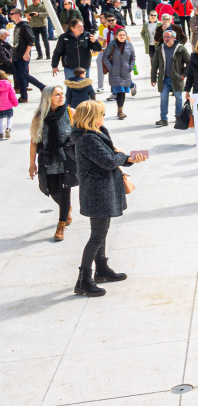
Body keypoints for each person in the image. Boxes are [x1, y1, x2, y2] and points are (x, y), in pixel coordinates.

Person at [70, 100, 147, 297]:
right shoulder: (87, 138)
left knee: (101, 233)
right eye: (101, 114)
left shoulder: (97, 133)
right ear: (91, 117)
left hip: (103, 189)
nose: (104, 117)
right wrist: (123, 156)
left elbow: (110, 157)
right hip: (97, 192)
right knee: (97, 235)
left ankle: (102, 269)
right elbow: (109, 161)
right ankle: (83, 280)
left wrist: (127, 158)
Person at [29, 85, 76, 240]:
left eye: (62, 93)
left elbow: (83, 132)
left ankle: (61, 225)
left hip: (66, 158)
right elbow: (34, 141)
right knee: (53, 191)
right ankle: (66, 208)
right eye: (57, 94)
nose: (61, 97)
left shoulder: (70, 113)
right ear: (48, 98)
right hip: (48, 159)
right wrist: (32, 163)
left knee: (65, 190)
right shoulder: (39, 117)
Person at [151, 29, 189, 126]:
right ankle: (164, 119)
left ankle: (178, 117)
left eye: (168, 37)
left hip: (177, 79)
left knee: (178, 98)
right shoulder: (160, 49)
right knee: (163, 98)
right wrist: (153, 78)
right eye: (164, 37)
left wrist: (183, 75)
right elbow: (154, 64)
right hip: (164, 79)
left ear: (173, 38)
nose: (166, 39)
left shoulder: (181, 49)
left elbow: (189, 63)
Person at [10, 9, 44, 102]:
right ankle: (23, 96)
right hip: (16, 54)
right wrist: (12, 55)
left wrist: (27, 53)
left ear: (18, 15)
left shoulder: (25, 26)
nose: (10, 15)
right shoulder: (17, 26)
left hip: (22, 55)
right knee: (19, 77)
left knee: (24, 75)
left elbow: (31, 39)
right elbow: (16, 42)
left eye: (12, 14)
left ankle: (42, 86)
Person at [101, 28, 136, 120]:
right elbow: (105, 57)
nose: (122, 36)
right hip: (114, 72)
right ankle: (120, 112)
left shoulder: (129, 45)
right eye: (120, 35)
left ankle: (120, 110)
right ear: (116, 36)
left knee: (123, 92)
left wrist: (130, 67)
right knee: (119, 91)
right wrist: (111, 68)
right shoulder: (111, 45)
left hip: (125, 72)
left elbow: (133, 57)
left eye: (123, 35)